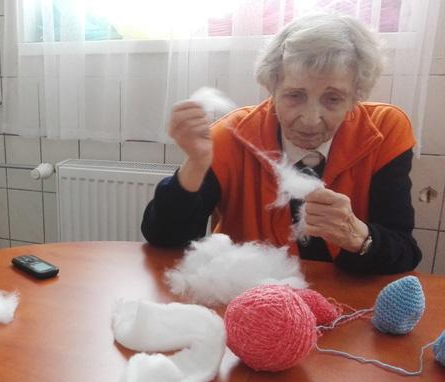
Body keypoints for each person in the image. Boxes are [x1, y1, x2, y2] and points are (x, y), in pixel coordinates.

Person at [141, 13, 421, 275]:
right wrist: (195, 163)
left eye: (333, 98)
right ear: (272, 87)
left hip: (348, 301)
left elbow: (405, 252)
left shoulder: (384, 131)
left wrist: (357, 236)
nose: (311, 120)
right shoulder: (230, 137)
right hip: (249, 297)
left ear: (355, 98)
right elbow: (164, 238)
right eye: (295, 95)